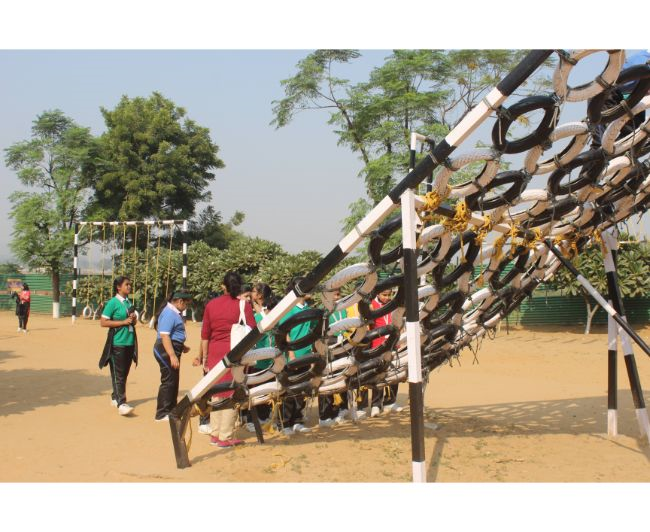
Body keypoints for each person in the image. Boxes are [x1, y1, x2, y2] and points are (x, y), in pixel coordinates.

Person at [201, 272, 256, 448]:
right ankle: (225, 436)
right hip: (234, 352)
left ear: (223, 286)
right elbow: (253, 330)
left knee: (216, 393)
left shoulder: (211, 305)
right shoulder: (243, 305)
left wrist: (204, 357)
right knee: (232, 392)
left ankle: (215, 433)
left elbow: (205, 335)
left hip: (214, 352)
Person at [279, 276, 315, 435]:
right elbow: (284, 333)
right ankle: (284, 423)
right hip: (292, 356)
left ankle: (297, 420)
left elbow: (312, 331)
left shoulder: (308, 308)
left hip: (306, 354)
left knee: (302, 388)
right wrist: (291, 354)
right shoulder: (288, 309)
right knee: (289, 389)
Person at [99, 276, 138, 416]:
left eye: (130, 284)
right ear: (118, 287)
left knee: (123, 374)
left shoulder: (128, 302)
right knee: (119, 374)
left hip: (129, 342)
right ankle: (122, 403)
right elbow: (103, 322)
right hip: (117, 343)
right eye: (126, 284)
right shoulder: (113, 303)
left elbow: (132, 322)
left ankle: (115, 397)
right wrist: (123, 322)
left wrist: (133, 319)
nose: (129, 286)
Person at [242, 282, 277, 432]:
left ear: (260, 295)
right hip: (259, 358)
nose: (251, 293)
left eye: (253, 291)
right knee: (256, 390)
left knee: (267, 389)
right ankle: (252, 419)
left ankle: (264, 416)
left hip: (270, 358)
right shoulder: (256, 315)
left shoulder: (267, 314)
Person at [153, 290, 192, 421]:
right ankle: (161, 413)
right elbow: (165, 335)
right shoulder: (169, 312)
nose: (186, 307)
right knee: (169, 380)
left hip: (171, 348)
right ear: (180, 301)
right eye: (186, 304)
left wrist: (182, 346)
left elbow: (173, 333)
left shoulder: (173, 312)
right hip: (165, 350)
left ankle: (171, 410)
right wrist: (172, 355)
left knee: (173, 380)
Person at [318, 289, 348, 428]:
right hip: (328, 344)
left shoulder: (342, 308)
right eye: (333, 295)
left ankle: (338, 410)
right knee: (327, 378)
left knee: (340, 377)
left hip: (342, 344)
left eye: (338, 294)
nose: (336, 297)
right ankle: (324, 415)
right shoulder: (322, 310)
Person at [193, 290, 219, 434]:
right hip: (210, 359)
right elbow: (204, 340)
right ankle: (203, 421)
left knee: (218, 389)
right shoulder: (208, 318)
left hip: (218, 357)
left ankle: (214, 420)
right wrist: (203, 358)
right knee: (207, 390)